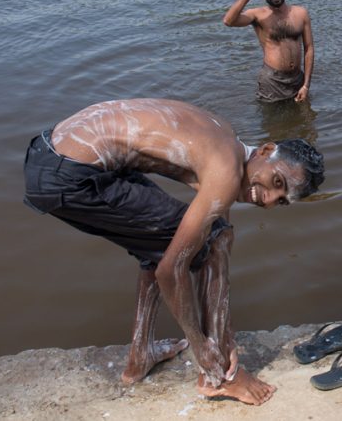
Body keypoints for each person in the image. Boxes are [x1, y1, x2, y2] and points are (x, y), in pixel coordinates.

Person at [22, 99, 325, 405]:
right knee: (207, 242)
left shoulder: (226, 144)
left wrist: (226, 328)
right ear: (264, 150)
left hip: (49, 156)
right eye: (276, 181)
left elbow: (219, 233)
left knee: (181, 238)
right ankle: (218, 376)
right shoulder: (226, 171)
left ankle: (140, 357)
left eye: (282, 200)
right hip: (70, 175)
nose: (269, 197)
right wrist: (202, 344)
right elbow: (173, 269)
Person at [223, 0, 314, 103]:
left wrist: (306, 85)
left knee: (304, 118)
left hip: (297, 78)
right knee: (272, 121)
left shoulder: (301, 13)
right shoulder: (258, 15)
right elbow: (228, 21)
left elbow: (309, 49)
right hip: (272, 81)